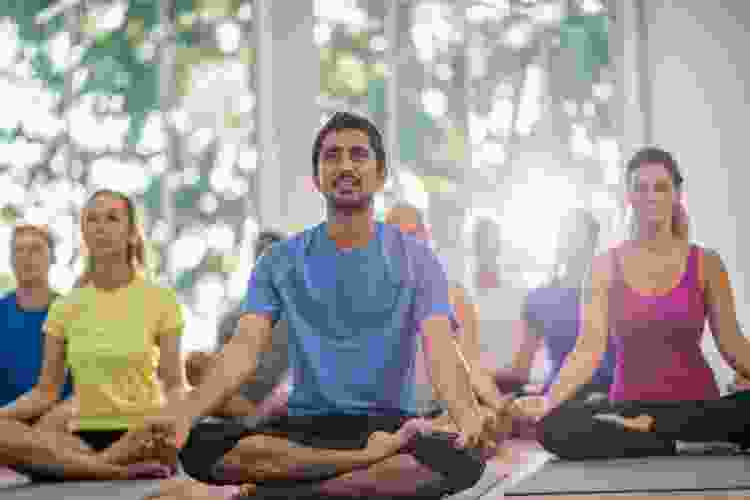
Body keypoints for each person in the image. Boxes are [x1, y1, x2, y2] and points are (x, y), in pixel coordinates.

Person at [147, 112, 509, 500]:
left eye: (358, 155)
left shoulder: (419, 260)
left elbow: (442, 351)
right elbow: (243, 350)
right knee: (200, 444)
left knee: (464, 457)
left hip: (391, 428)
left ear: (380, 174)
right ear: (317, 177)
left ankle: (299, 487)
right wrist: (187, 412)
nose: (346, 166)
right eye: (332, 156)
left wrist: (469, 417)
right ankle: (355, 477)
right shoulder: (279, 260)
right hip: (305, 427)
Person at [513, 147, 750, 459]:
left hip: (697, 407)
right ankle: (673, 439)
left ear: (677, 195)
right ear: (628, 196)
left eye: (661, 187)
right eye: (640, 187)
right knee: (552, 425)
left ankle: (656, 434)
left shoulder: (706, 263)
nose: (651, 196)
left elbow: (732, 344)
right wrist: (549, 400)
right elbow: (588, 349)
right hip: (628, 409)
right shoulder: (603, 266)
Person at [0, 190, 185, 481]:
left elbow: (174, 385)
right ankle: (111, 469)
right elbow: (44, 393)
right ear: (84, 233)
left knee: (150, 434)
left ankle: (81, 469)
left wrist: (172, 420)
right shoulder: (65, 308)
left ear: (131, 233)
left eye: (112, 218)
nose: (101, 227)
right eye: (92, 220)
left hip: (141, 431)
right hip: (78, 437)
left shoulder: (160, 300)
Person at [383, 202, 503, 421]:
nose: (408, 245)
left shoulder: (454, 295)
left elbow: (472, 366)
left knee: (486, 419)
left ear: (426, 237)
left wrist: (501, 409)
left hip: (439, 414)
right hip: (388, 415)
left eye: (414, 235)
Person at [502, 208, 615, 401]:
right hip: (559, 401)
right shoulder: (539, 298)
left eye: (579, 239)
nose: (575, 246)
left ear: (593, 245)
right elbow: (520, 371)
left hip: (603, 398)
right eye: (569, 238)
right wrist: (474, 377)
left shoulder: (613, 293)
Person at [186, 229, 290, 420]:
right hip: (235, 390)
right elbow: (222, 365)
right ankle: (247, 414)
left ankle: (252, 416)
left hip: (274, 396)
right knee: (195, 362)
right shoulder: (235, 315)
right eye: (261, 257)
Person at [0, 224, 74, 417]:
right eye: (19, 250)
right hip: (6, 423)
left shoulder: (72, 313)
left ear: (52, 258)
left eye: (35, 249)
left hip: (59, 424)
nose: (26, 257)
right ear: (10, 260)